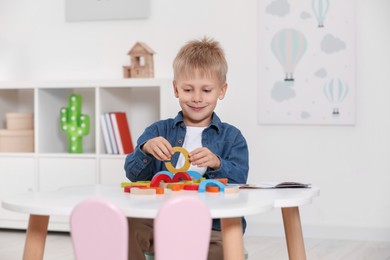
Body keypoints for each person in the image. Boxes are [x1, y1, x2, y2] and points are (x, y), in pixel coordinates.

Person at [124, 36, 249, 260]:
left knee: (221, 251)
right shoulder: (157, 131)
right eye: (188, 89)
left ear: (221, 90)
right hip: (160, 219)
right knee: (126, 230)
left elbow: (240, 181)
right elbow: (133, 176)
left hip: (213, 226)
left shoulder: (232, 137)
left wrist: (217, 163)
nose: (197, 98)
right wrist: (145, 150)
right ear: (176, 89)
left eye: (207, 90)